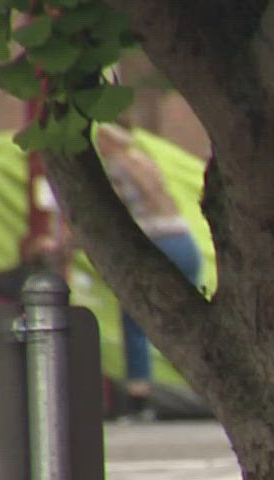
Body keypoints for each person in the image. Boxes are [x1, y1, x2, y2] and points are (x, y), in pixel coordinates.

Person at [95, 122, 202, 419]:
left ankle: (139, 401)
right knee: (191, 320)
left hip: (156, 243)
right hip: (184, 241)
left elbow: (114, 213)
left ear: (108, 141)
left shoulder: (116, 167)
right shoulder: (144, 161)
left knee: (135, 322)